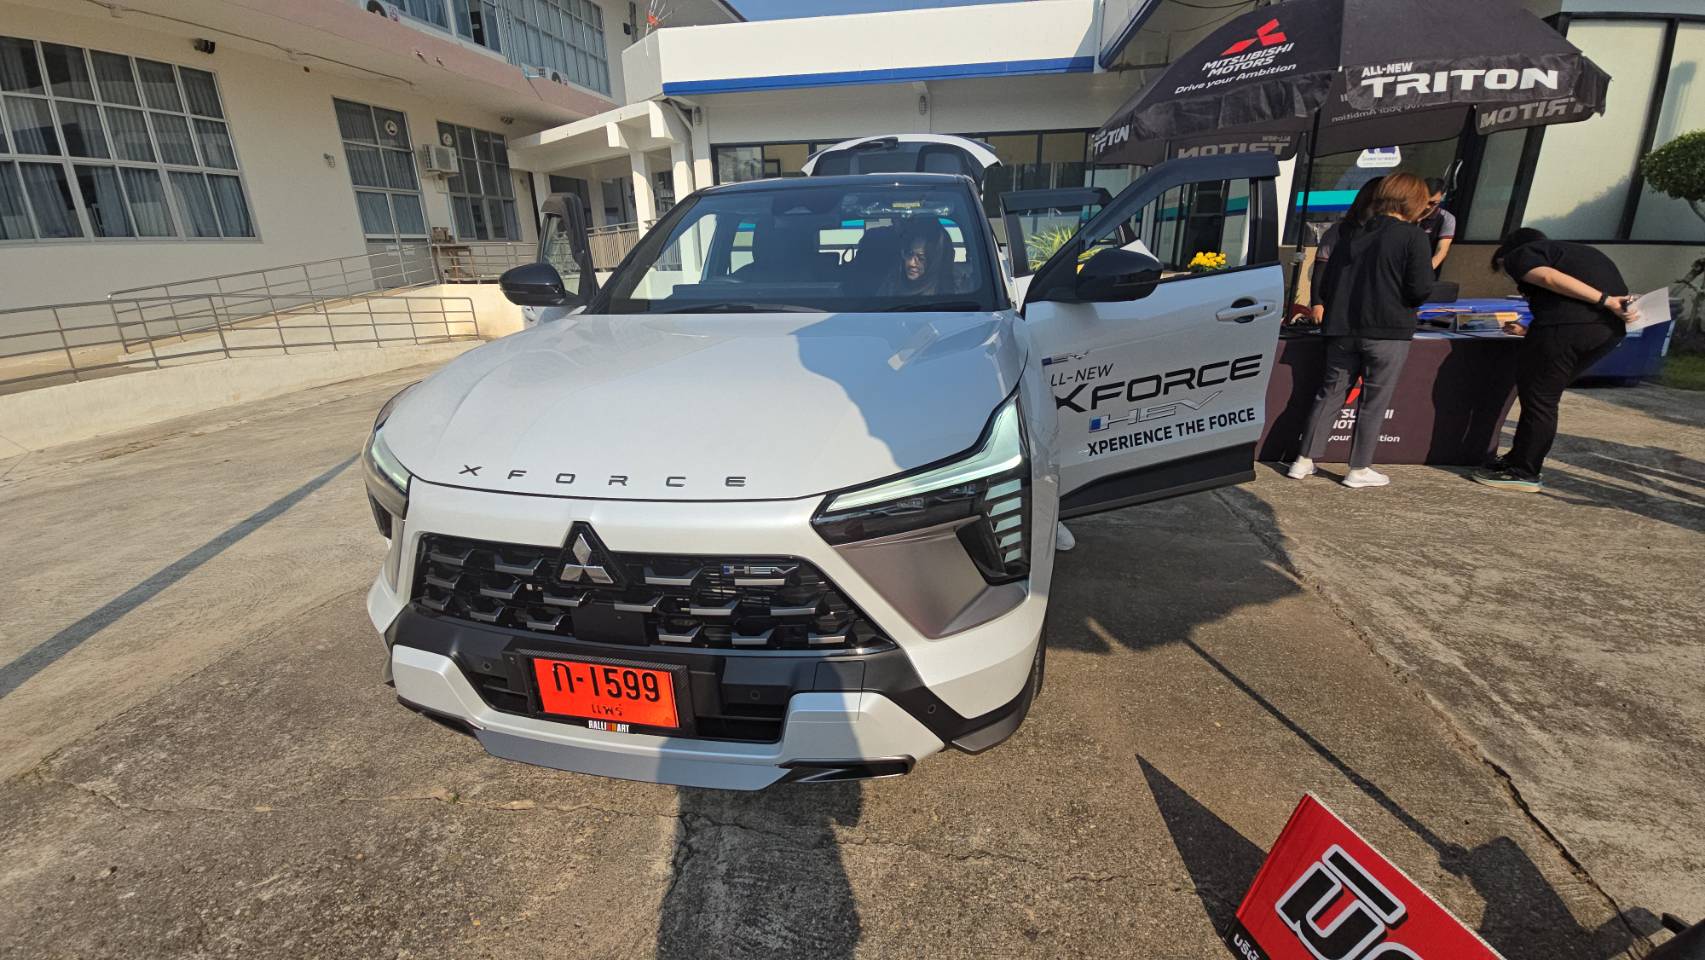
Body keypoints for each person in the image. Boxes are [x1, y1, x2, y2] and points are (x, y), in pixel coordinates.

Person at [1289, 172, 1436, 489]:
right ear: (1415, 201)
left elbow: (1327, 282)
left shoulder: (1350, 233)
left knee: (1330, 392)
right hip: (1387, 329)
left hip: (1342, 328)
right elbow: (1420, 288)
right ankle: (1358, 468)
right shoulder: (1413, 237)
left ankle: (1303, 459)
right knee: (1374, 400)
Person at [1472, 228, 1636, 492]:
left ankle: (1524, 471)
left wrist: (1605, 301)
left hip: (1569, 329)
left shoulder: (1521, 254)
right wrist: (1530, 330)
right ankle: (1517, 459)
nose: (1513, 277)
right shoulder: (1576, 253)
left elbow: (1547, 277)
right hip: (1607, 332)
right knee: (1544, 394)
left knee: (1540, 399)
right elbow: (1567, 301)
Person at [1308, 177, 1384, 324]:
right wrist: (1317, 304)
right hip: (1340, 305)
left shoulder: (1390, 233)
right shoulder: (1339, 230)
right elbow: (1321, 269)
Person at [881, 218, 955, 297]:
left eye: (921, 258)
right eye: (909, 254)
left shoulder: (947, 293)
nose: (911, 263)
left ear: (933, 262)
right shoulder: (892, 284)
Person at [1420, 177, 1456, 275]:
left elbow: (1441, 250)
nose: (1427, 206)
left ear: (1442, 197)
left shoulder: (1446, 218)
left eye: (1433, 203)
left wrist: (1424, 272)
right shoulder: (1406, 213)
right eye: (1423, 201)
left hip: (1425, 271)